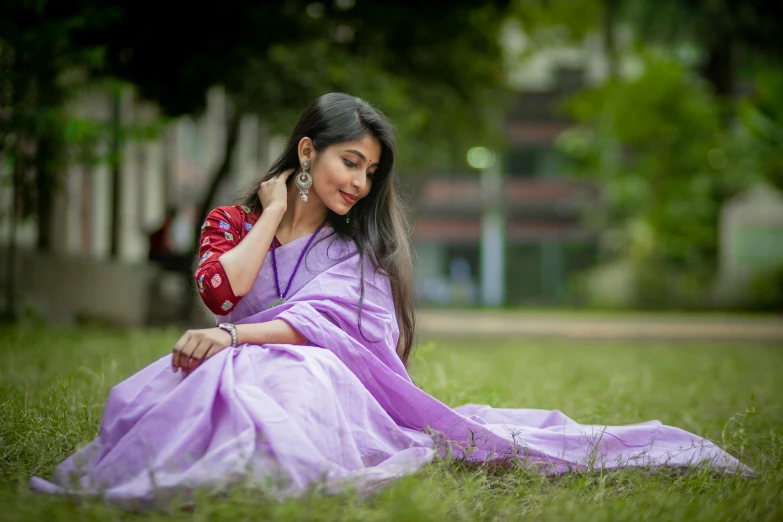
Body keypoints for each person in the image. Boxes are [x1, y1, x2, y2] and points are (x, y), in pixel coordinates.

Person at [30, 93, 749, 509]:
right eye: (351, 162)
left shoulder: (355, 251)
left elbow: (329, 330)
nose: (362, 184)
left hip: (313, 375)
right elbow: (221, 291)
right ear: (307, 152)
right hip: (221, 359)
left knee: (286, 374)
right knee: (184, 390)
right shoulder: (232, 223)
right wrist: (274, 217)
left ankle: (260, 469)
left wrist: (235, 338)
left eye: (371, 171)